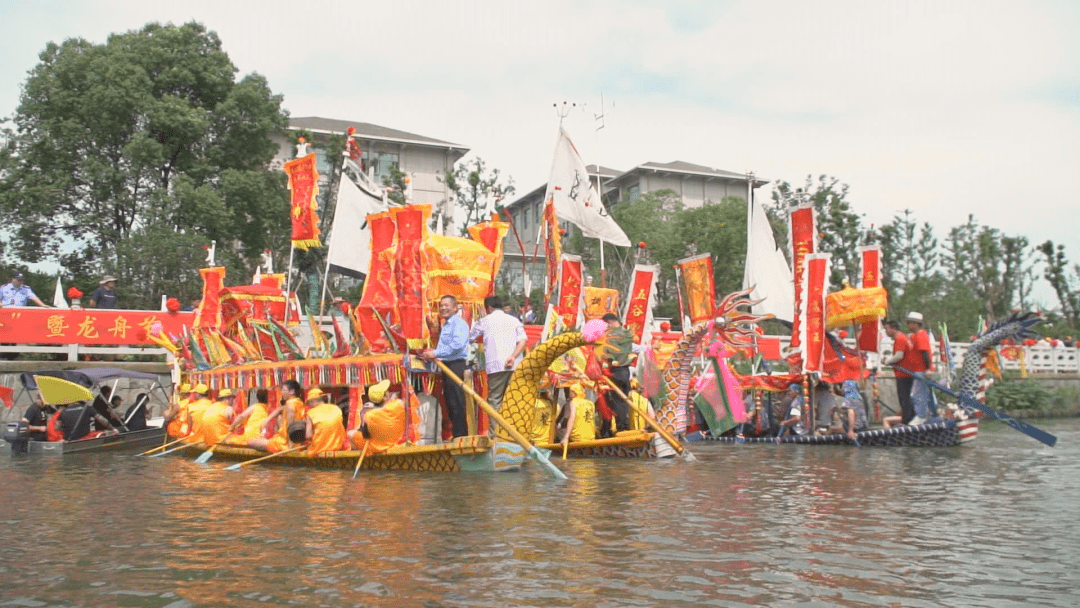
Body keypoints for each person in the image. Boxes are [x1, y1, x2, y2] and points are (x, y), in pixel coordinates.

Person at [419, 295, 470, 438]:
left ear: (455, 308)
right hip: (446, 365)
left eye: (447, 305)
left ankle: (462, 436)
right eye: (441, 305)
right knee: (450, 401)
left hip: (456, 365)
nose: (443, 308)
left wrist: (435, 353)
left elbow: (457, 346)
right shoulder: (446, 325)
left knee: (457, 402)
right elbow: (443, 349)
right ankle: (457, 434)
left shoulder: (459, 324)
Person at [469, 295, 527, 413]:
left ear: (489, 308)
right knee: (513, 400)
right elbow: (523, 341)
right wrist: (513, 356)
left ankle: (495, 431)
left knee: (495, 401)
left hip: (496, 366)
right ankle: (511, 431)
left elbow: (469, 338)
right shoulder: (514, 320)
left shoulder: (485, 321)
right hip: (515, 365)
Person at [347, 380, 406, 455]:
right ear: (385, 397)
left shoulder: (369, 415)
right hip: (394, 443)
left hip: (376, 447)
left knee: (350, 433)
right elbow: (400, 402)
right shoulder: (397, 406)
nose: (389, 392)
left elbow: (366, 435)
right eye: (387, 391)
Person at [249, 380, 305, 453]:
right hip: (292, 442)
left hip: (284, 443)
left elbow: (290, 425)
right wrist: (266, 421)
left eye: (284, 390)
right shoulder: (299, 402)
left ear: (292, 392)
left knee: (251, 442)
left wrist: (290, 447)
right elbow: (279, 410)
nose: (282, 392)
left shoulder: (290, 405)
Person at [600, 312, 634, 431]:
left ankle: (621, 427)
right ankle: (624, 424)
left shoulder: (614, 335)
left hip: (616, 371)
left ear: (610, 323)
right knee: (623, 399)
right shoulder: (626, 332)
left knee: (616, 400)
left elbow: (608, 351)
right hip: (625, 371)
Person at [903, 311, 935, 425]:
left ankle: (921, 416)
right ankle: (926, 414)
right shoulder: (914, 336)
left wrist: (927, 369)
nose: (908, 325)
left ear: (916, 324)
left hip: (922, 370)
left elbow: (925, 353)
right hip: (917, 370)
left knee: (917, 393)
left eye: (910, 323)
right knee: (919, 393)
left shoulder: (921, 335)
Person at [883, 320, 916, 425]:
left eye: (886, 329)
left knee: (904, 398)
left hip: (904, 374)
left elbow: (899, 356)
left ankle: (907, 421)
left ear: (893, 328)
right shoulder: (902, 337)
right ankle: (908, 419)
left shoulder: (900, 338)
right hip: (905, 373)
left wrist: (887, 361)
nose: (886, 332)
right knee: (906, 399)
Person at [303, 387, 346, 456]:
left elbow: (308, 435)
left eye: (309, 403)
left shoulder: (310, 413)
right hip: (338, 446)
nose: (309, 405)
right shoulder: (336, 408)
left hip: (319, 449)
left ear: (313, 401)